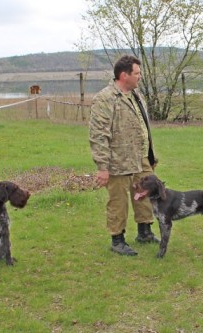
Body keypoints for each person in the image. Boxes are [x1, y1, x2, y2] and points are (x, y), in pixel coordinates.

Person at [89, 55, 160, 256]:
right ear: (124, 75)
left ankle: (145, 232)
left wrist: (150, 155)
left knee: (145, 195)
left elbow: (144, 127)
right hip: (117, 162)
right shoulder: (105, 99)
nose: (140, 77)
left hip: (140, 158)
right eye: (137, 73)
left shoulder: (138, 96)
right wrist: (102, 167)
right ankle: (117, 240)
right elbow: (98, 135)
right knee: (118, 201)